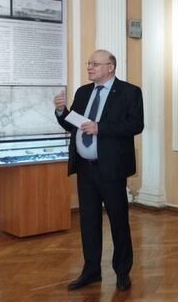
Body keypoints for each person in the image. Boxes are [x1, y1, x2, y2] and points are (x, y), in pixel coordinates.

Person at [53, 49, 144, 292]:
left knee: (118, 221)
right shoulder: (83, 92)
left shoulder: (129, 92)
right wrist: (62, 112)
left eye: (95, 64)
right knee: (89, 221)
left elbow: (136, 125)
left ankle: (122, 272)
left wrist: (100, 128)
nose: (90, 67)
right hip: (85, 169)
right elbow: (73, 125)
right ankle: (91, 271)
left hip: (112, 169)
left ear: (110, 67)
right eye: (89, 63)